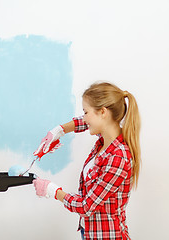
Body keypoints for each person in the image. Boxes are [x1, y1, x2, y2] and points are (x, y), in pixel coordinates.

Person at [33, 82, 141, 240]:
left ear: (103, 112)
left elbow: (86, 207)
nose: (84, 117)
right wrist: (58, 131)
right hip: (90, 232)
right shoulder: (105, 140)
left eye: (85, 112)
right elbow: (85, 122)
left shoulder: (118, 157)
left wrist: (53, 190)